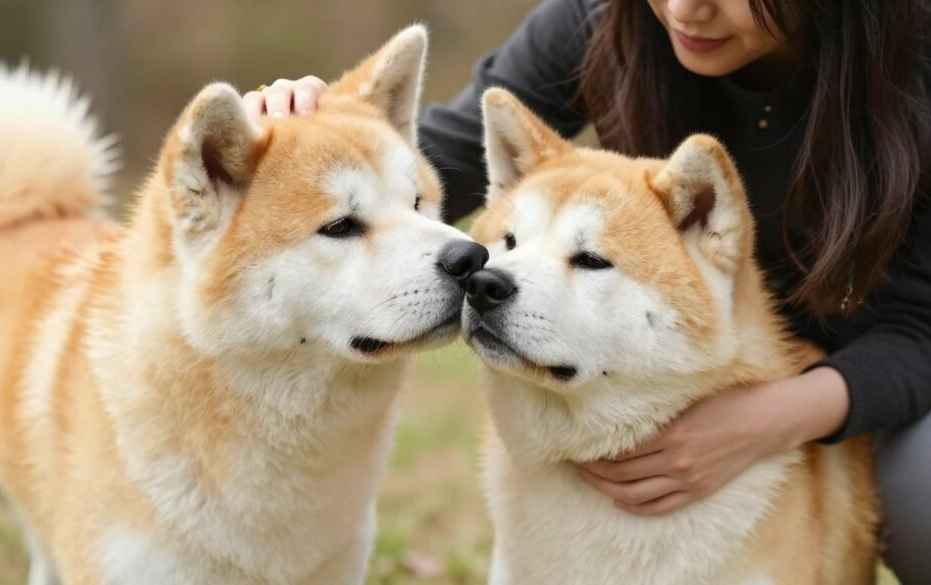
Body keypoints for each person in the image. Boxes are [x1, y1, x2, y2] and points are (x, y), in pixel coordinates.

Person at [245, 1, 931, 581]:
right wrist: (302, 139)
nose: (687, 8)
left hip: (885, 371)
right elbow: (427, 160)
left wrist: (767, 417)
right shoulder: (609, 14)